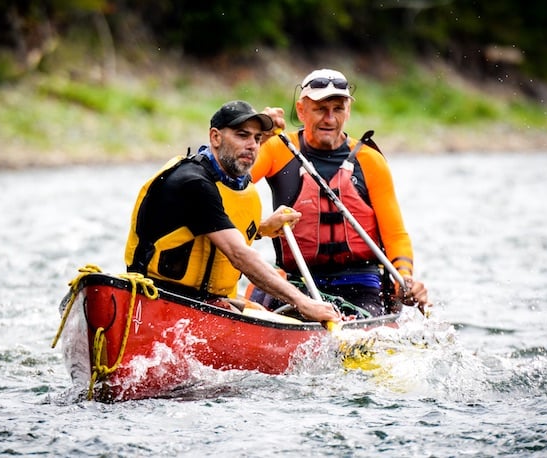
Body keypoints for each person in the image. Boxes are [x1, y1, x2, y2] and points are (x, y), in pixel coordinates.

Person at [124, 100, 340, 324]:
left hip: (205, 303)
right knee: (292, 311)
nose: (253, 146)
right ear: (215, 138)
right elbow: (239, 254)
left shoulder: (231, 179)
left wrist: (261, 229)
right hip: (159, 301)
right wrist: (303, 303)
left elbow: (209, 226)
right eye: (242, 135)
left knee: (272, 314)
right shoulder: (193, 183)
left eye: (257, 138)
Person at [251, 68, 430, 317]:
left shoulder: (370, 161)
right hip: (296, 283)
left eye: (338, 109)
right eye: (320, 109)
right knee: (256, 302)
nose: (330, 119)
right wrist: (256, 138)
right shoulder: (276, 149)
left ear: (348, 111)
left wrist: (404, 279)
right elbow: (230, 184)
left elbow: (395, 235)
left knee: (362, 321)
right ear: (301, 110)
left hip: (360, 283)